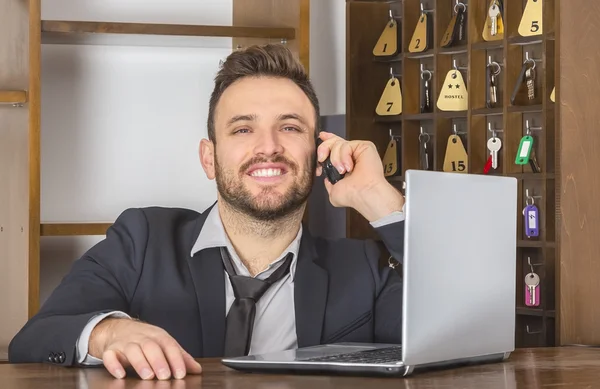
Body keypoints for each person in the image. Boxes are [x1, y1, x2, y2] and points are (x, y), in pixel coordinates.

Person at [8, 44, 406, 381]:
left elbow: (462, 330)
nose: (268, 147)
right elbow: (35, 338)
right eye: (243, 129)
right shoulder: (141, 240)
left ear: (318, 153)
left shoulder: (366, 270)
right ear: (209, 158)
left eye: (289, 127)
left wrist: (379, 198)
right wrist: (107, 333)